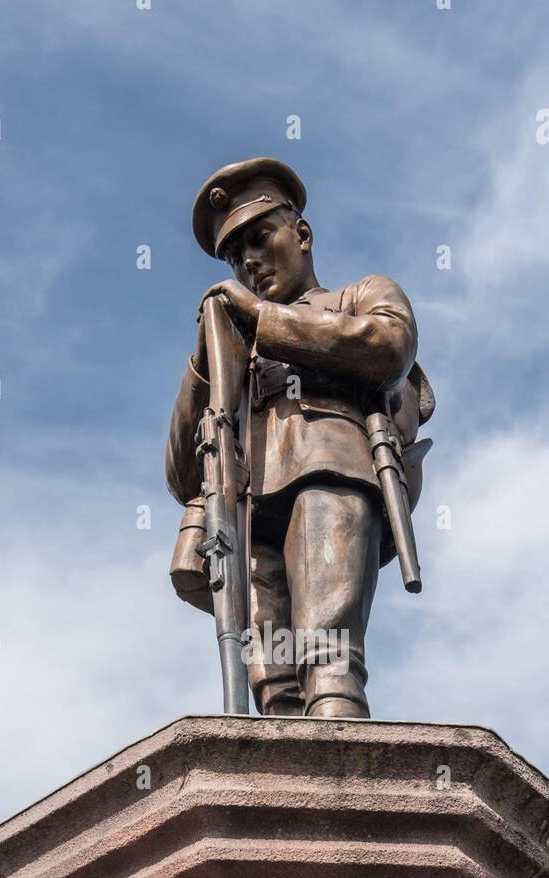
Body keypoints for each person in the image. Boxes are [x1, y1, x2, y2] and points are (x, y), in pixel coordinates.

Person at [166, 157, 433, 718]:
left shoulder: (359, 296)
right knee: (276, 690)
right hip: (244, 510)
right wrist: (205, 362)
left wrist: (263, 319)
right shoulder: (232, 350)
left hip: (327, 474)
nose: (250, 262)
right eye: (238, 257)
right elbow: (181, 475)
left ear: (302, 235)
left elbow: (387, 347)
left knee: (327, 659)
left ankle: (342, 791)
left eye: (260, 239)